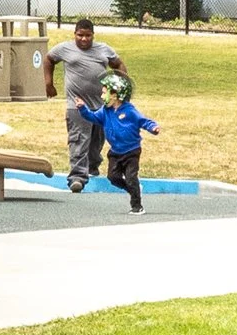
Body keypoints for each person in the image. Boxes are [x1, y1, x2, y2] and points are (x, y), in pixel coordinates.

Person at [44, 18, 124, 192]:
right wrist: (48, 83)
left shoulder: (104, 49)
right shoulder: (64, 48)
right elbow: (49, 59)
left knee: (96, 143)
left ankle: (92, 169)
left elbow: (118, 64)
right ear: (75, 34)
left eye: (88, 35)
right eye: (80, 35)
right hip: (77, 105)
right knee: (79, 140)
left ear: (93, 35)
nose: (84, 39)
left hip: (102, 106)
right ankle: (77, 178)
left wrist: (119, 85)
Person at [76, 72, 158, 214]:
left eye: (104, 93)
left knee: (131, 177)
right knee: (113, 177)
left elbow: (143, 121)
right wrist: (83, 108)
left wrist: (153, 127)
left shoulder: (129, 111)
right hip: (115, 152)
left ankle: (137, 206)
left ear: (116, 94)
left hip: (131, 151)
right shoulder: (105, 111)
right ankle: (133, 189)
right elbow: (93, 117)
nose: (102, 97)